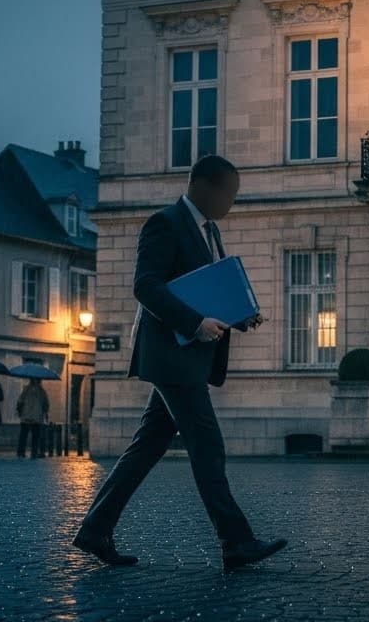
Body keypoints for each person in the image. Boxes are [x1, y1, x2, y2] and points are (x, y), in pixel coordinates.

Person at [74, 154, 287, 571]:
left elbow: (205, 289)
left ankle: (95, 530)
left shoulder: (209, 232)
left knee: (147, 447)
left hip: (186, 357)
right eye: (230, 194)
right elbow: (145, 286)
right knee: (208, 446)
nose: (232, 203)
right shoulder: (165, 223)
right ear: (205, 186)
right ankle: (236, 542)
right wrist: (194, 322)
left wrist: (241, 315)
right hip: (173, 358)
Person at [16, 377, 50, 459]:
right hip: (37, 418)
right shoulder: (42, 391)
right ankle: (34, 453)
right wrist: (45, 412)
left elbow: (20, 401)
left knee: (23, 436)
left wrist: (19, 410)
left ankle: (21, 452)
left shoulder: (26, 389)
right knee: (35, 437)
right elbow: (46, 404)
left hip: (26, 417)